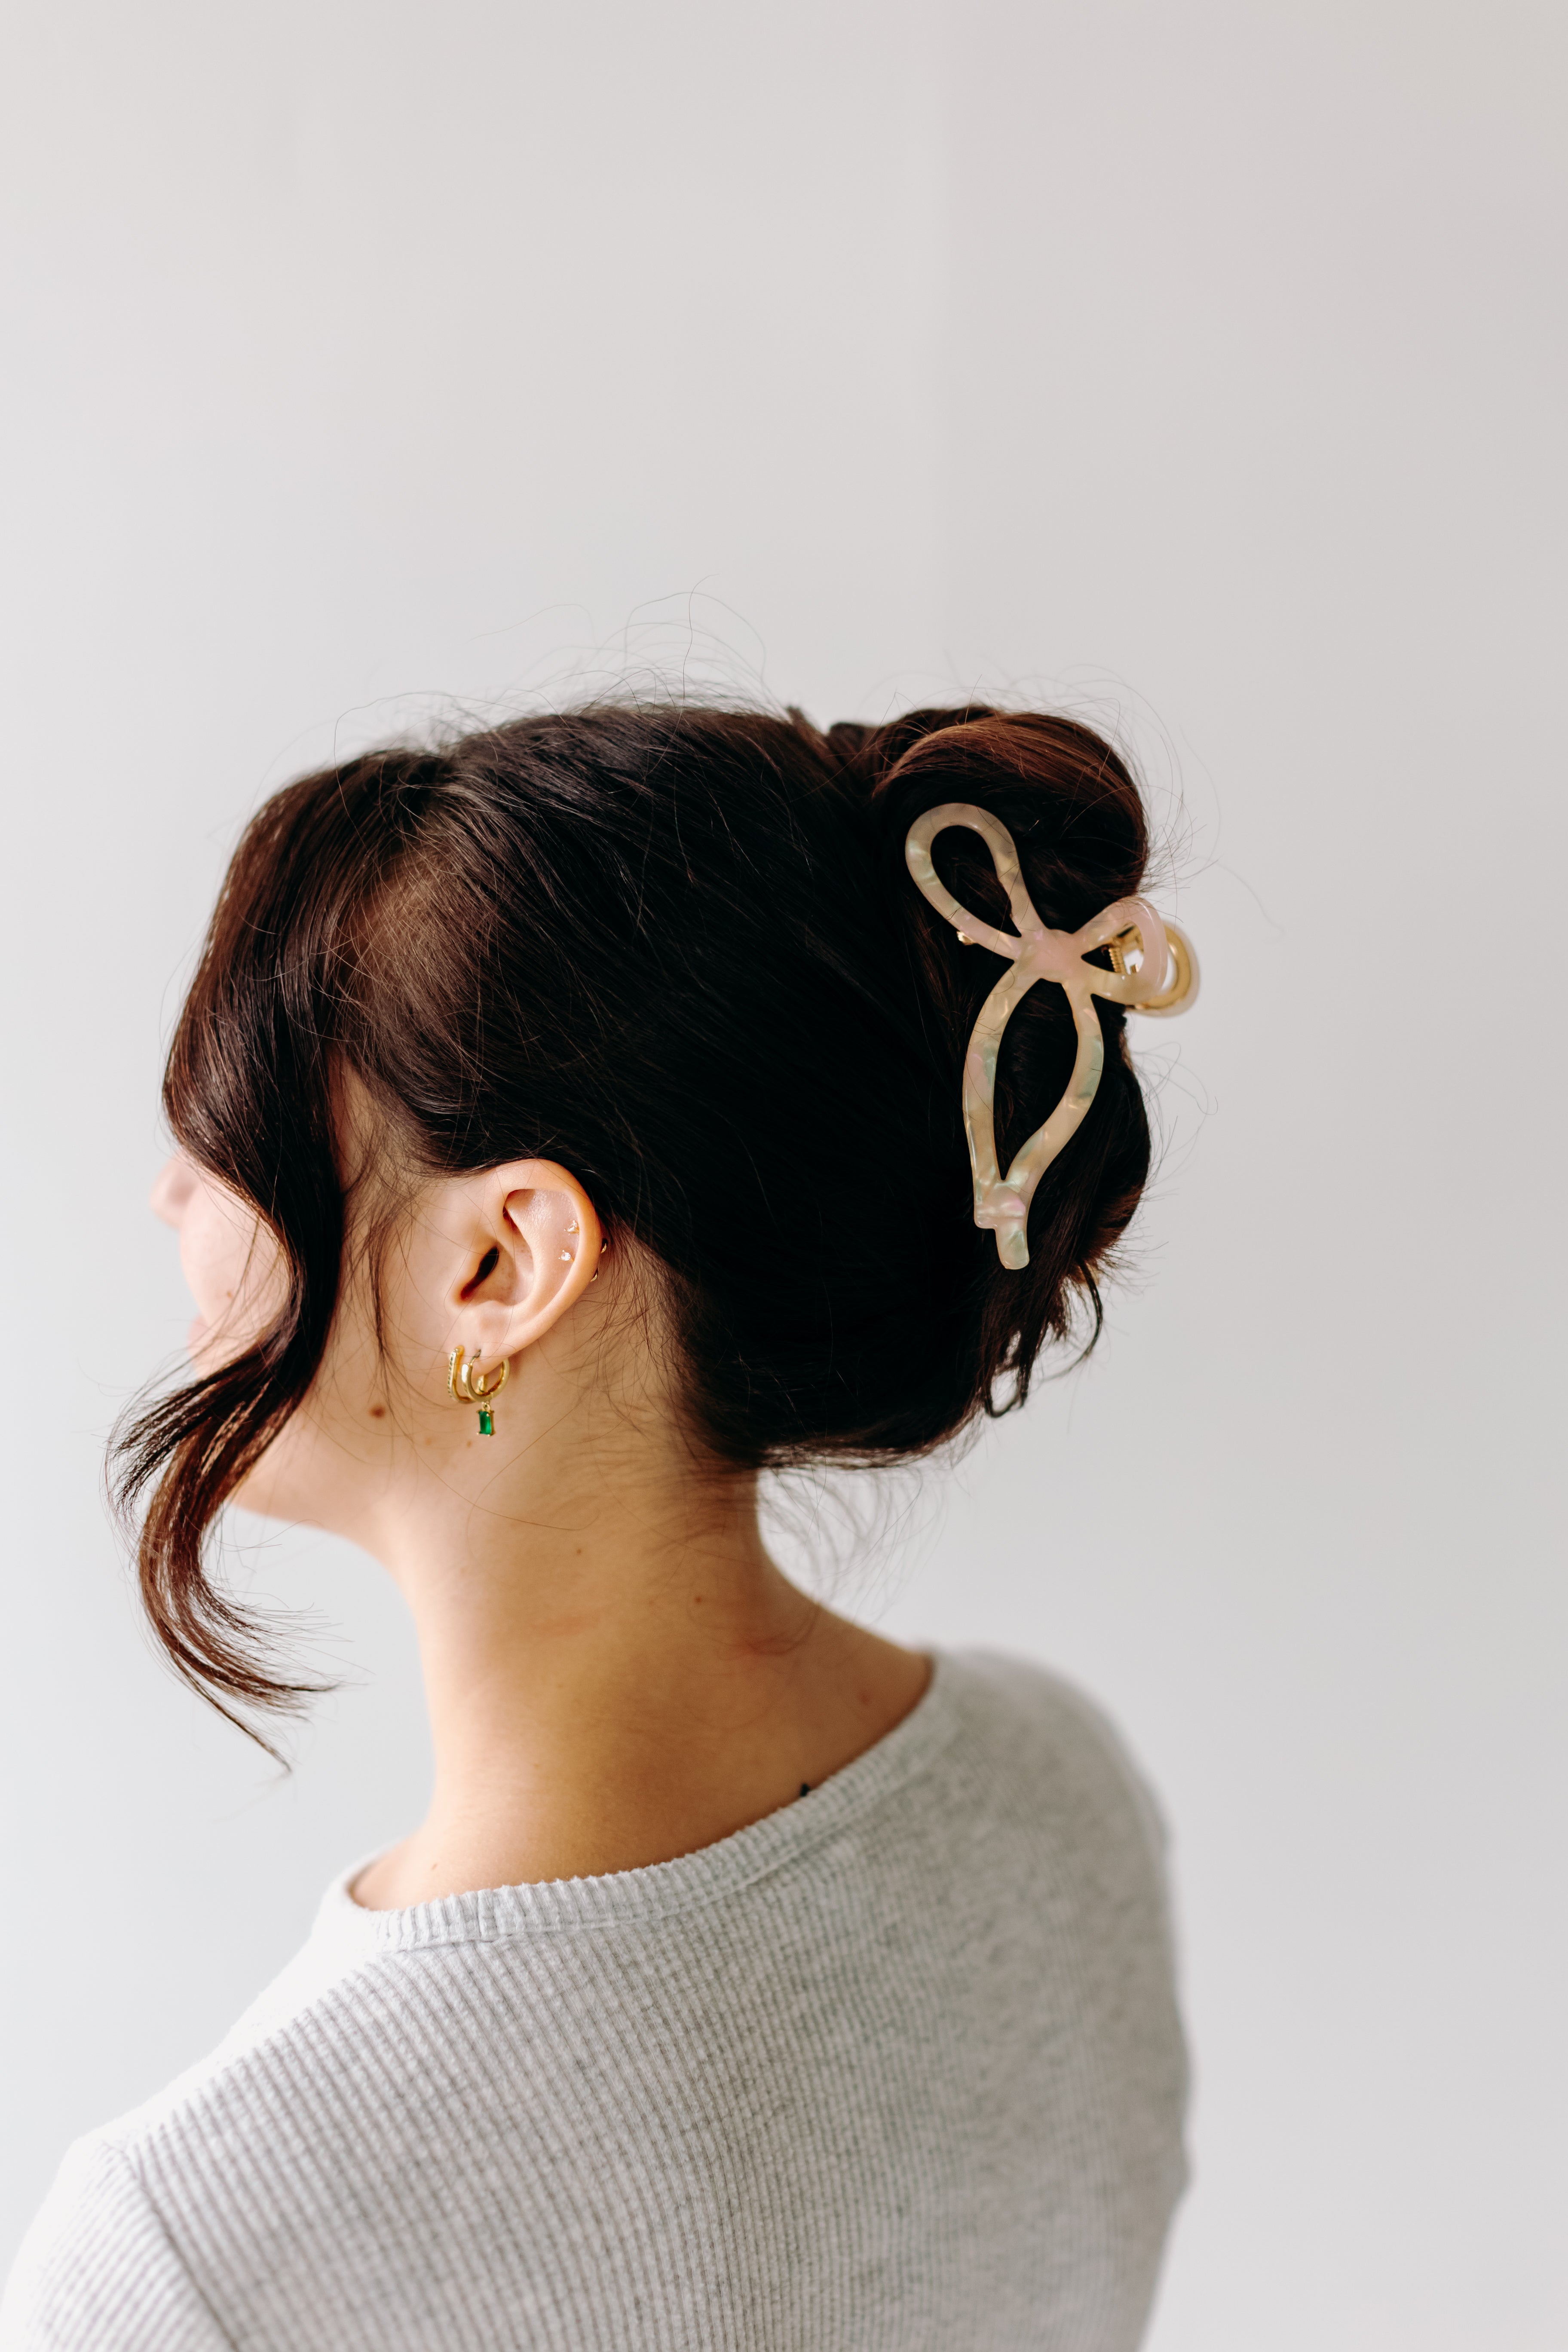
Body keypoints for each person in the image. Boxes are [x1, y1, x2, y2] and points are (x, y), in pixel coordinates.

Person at [0, 701, 1194, 2351]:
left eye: (229, 1117)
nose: (172, 1193)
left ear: (501, 1264)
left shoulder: (196, 2254)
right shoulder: (1057, 1789)